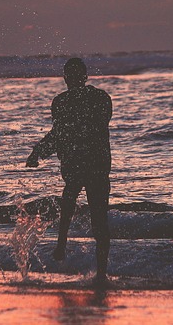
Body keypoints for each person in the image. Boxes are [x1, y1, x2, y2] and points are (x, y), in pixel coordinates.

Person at [26, 57, 112, 283]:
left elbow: (62, 133)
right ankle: (96, 271)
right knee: (95, 218)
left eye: (73, 75)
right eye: (70, 75)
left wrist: (39, 152)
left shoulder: (79, 100)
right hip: (93, 163)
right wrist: (38, 152)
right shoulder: (97, 98)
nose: (71, 79)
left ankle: (64, 246)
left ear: (82, 77)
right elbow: (59, 133)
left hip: (88, 163)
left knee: (79, 205)